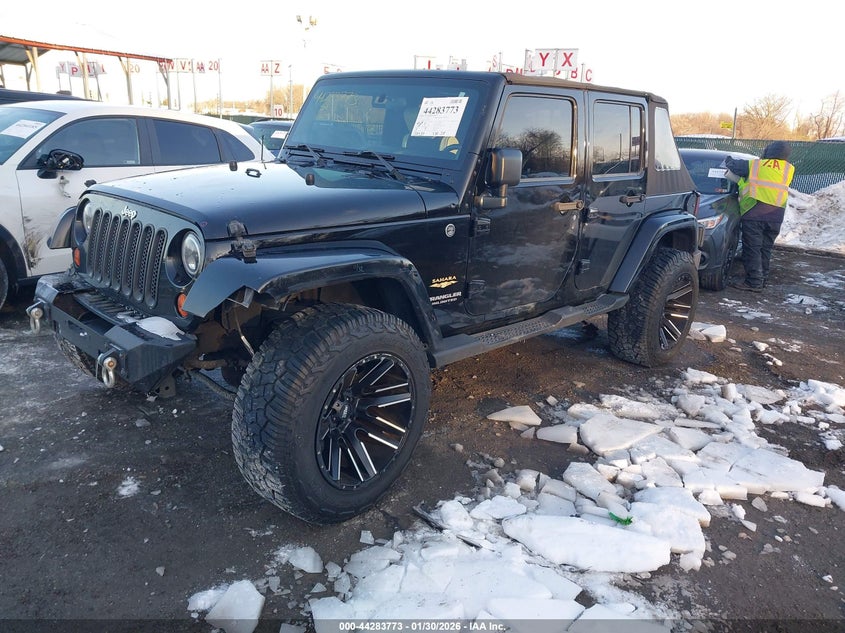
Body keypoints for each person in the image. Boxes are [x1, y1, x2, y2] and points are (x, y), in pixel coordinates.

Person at [724, 141, 795, 292]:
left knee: (753, 249)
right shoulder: (789, 169)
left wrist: (728, 158)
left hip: (755, 213)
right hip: (776, 215)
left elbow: (734, 166)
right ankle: (762, 279)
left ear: (769, 151)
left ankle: (753, 282)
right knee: (765, 249)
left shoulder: (756, 165)